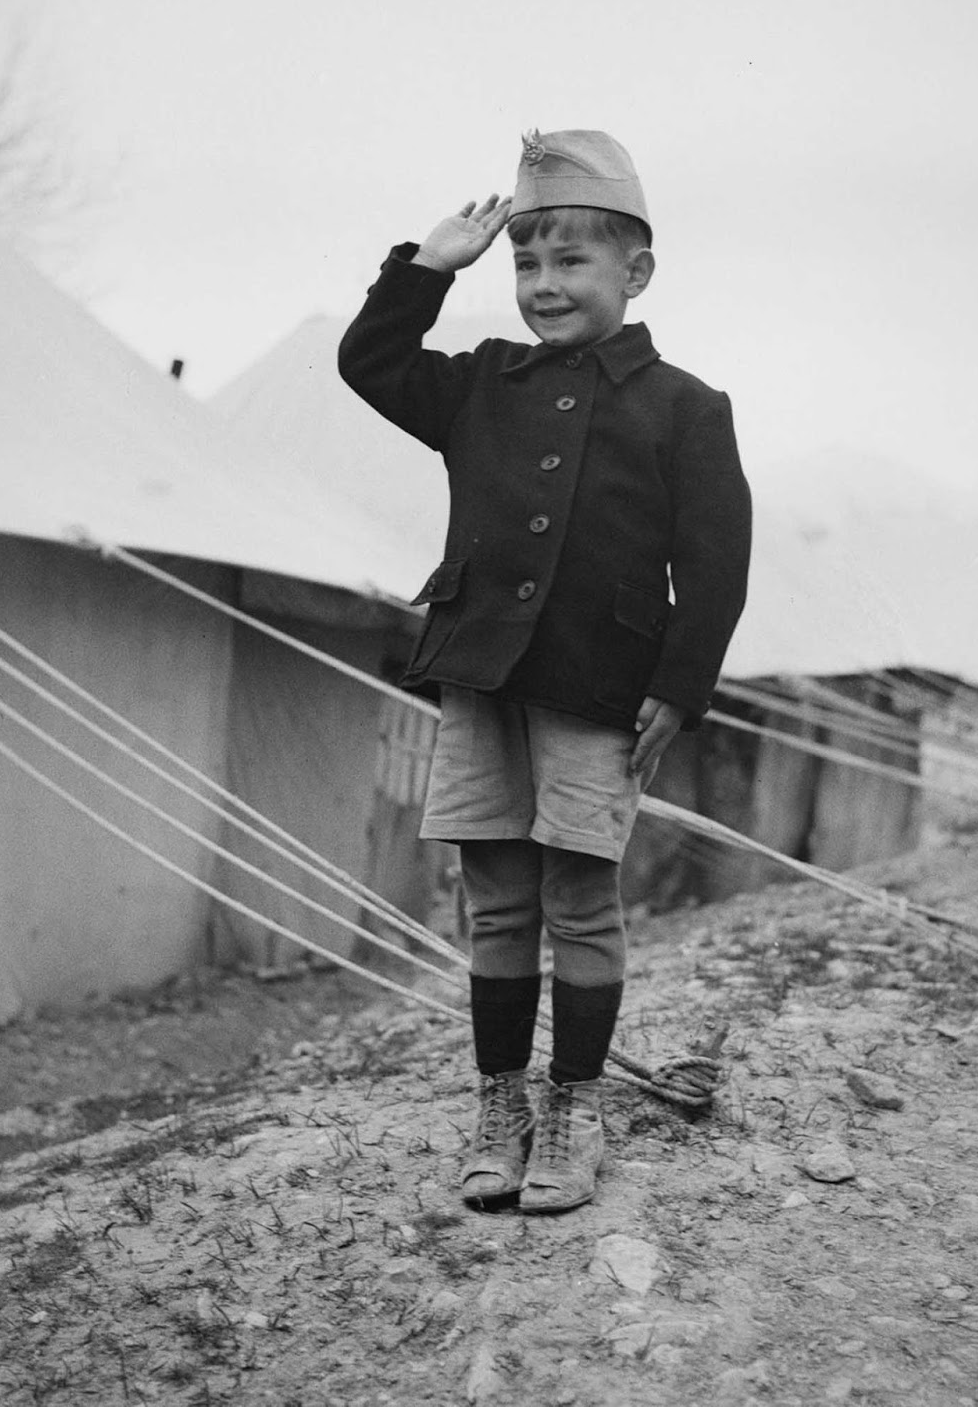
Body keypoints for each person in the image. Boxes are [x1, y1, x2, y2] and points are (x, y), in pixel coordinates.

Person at [338, 129, 751, 1213]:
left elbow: (713, 567)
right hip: (480, 674)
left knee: (578, 895)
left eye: (571, 261)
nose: (543, 284)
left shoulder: (685, 408)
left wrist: (680, 681)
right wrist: (428, 265)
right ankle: (499, 1105)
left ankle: (573, 1108)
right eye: (527, 262)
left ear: (636, 271)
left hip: (597, 689)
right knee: (495, 897)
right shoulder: (478, 384)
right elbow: (368, 362)